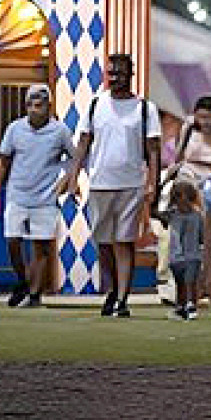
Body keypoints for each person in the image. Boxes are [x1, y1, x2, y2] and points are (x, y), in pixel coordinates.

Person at [59, 52, 162, 318]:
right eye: (111, 73)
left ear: (131, 75)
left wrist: (154, 182)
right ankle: (113, 289)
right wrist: (73, 177)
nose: (115, 78)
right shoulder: (96, 104)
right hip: (100, 181)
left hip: (131, 183)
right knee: (102, 242)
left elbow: (153, 149)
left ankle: (123, 299)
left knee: (124, 241)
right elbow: (83, 143)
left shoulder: (144, 108)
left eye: (120, 74)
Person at [0, 82, 73, 307]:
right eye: (30, 105)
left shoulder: (61, 131)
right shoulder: (15, 129)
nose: (35, 110)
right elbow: (3, 162)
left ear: (49, 106)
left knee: (41, 246)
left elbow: (75, 158)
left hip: (45, 197)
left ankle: (35, 294)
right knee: (12, 240)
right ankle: (23, 281)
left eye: (40, 105)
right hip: (17, 193)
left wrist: (66, 182)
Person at [163, 95, 211, 313]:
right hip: (188, 185)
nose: (204, 122)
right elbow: (178, 157)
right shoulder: (189, 127)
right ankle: (188, 291)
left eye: (208, 117)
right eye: (201, 117)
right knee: (185, 240)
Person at [162, 177, 204, 320]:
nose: (182, 203)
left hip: (193, 255)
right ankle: (180, 306)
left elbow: (202, 235)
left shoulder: (197, 215)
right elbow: (155, 214)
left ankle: (191, 304)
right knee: (180, 283)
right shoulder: (172, 214)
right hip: (176, 257)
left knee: (190, 281)